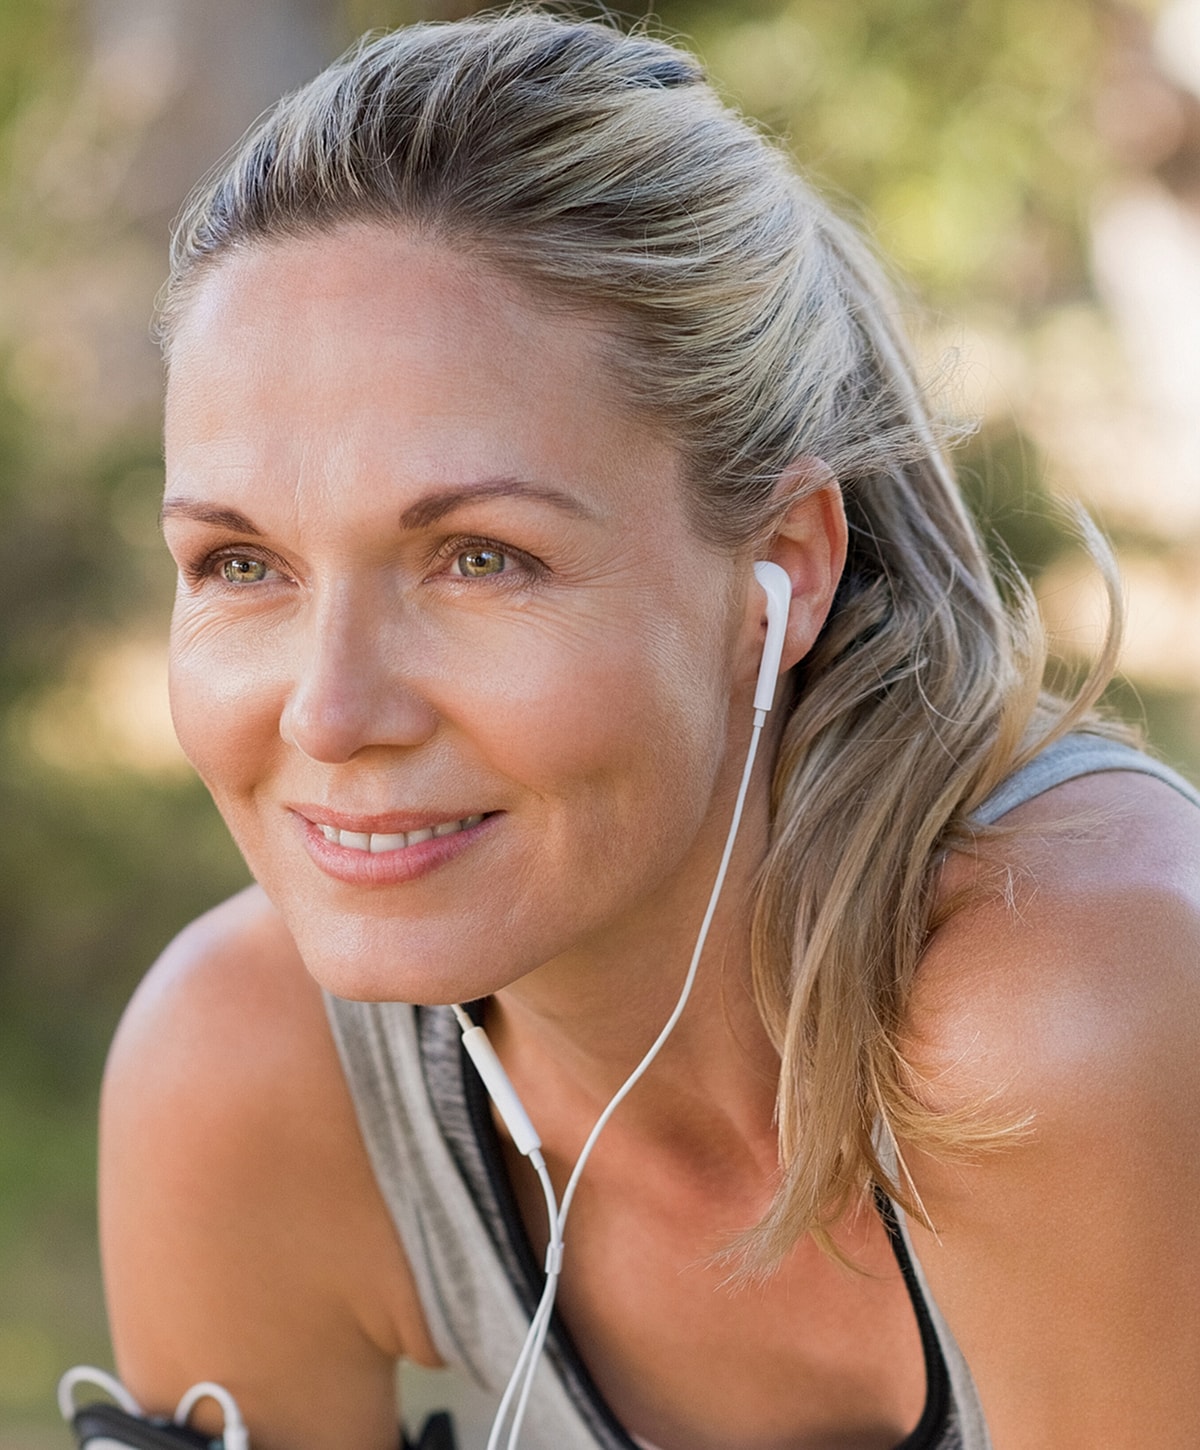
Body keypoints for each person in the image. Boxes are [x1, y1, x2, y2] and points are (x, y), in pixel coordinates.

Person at [94, 11, 1200, 1450]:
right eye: (242, 564)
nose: (331, 707)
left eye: (480, 556)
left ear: (785, 569)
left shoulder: (1072, 1004)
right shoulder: (246, 1077)